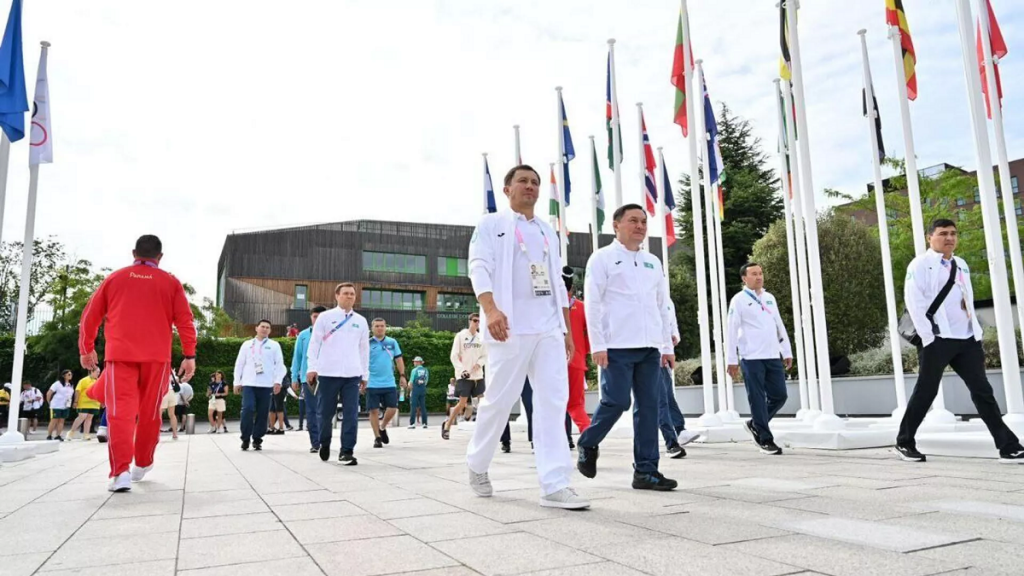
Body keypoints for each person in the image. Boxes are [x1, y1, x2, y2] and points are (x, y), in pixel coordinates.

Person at [465, 164, 588, 509]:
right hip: (508, 327)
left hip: (548, 328)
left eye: (535, 182)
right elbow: (478, 266)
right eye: (523, 181)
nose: (530, 187)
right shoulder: (491, 225)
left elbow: (558, 285)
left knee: (552, 403)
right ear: (507, 189)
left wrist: (564, 329)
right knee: (500, 401)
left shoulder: (548, 231)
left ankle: (554, 483)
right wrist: (490, 310)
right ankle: (477, 464)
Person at [896, 219, 1024, 463]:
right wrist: (928, 338)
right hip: (937, 339)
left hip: (966, 339)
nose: (949, 238)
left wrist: (975, 331)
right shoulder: (921, 264)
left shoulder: (961, 264)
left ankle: (1008, 446)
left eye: (953, 234)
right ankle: (904, 442)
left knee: (982, 391)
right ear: (929, 237)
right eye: (943, 233)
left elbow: (966, 298)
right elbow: (914, 302)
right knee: (926, 392)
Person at [79, 234, 197, 492]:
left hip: (120, 356)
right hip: (157, 358)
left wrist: (86, 350)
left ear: (134, 253)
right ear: (160, 257)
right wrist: (189, 356)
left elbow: (90, 317)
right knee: (149, 412)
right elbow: (185, 321)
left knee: (119, 413)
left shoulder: (115, 278)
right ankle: (142, 463)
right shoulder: (171, 282)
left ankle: (120, 472)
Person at [576, 204, 678, 491]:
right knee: (617, 401)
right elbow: (593, 304)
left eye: (644, 221)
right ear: (616, 225)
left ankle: (646, 471)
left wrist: (666, 344)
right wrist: (598, 344)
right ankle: (588, 441)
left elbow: (662, 304)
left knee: (649, 408)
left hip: (649, 348)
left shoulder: (653, 262)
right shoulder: (603, 258)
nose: (640, 226)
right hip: (616, 346)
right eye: (633, 220)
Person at [726, 262, 792, 456]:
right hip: (751, 357)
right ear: (744, 278)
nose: (759, 277)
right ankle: (765, 438)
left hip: (772, 356)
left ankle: (755, 424)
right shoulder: (738, 300)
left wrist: (786, 351)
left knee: (780, 395)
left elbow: (778, 324)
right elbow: (731, 330)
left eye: (761, 273)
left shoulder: (769, 298)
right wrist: (732, 359)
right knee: (757, 398)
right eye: (754, 274)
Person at [307, 282, 369, 465]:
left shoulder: (361, 321)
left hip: (352, 374)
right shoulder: (325, 317)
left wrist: (365, 375)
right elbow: (314, 343)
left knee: (351, 413)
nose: (349, 296)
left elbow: (364, 350)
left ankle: (346, 451)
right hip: (328, 373)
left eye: (352, 294)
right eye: (346, 293)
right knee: (325, 414)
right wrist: (312, 367)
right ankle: (324, 443)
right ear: (337, 295)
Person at [233, 320, 287, 451]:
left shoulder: (274, 345)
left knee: (263, 413)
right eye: (262, 327)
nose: (265, 329)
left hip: (266, 384)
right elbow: (239, 364)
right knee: (248, 409)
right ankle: (245, 438)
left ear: (270, 330)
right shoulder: (247, 345)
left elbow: (280, 365)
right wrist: (237, 382)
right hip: (249, 383)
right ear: (256, 328)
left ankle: (257, 439)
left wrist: (278, 381)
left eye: (268, 327)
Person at [658, 299, 701, 457]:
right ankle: (671, 443)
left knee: (668, 398)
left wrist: (675, 336)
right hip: (652, 355)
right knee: (660, 401)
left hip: (664, 355)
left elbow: (672, 323)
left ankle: (680, 430)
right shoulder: (645, 295)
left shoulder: (667, 300)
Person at [444, 313, 487, 440]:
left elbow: (485, 355)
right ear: (469, 321)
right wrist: (462, 370)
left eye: (479, 321)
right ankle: (447, 425)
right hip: (464, 376)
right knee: (462, 403)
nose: (477, 323)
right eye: (475, 321)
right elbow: (454, 355)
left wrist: (479, 364)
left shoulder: (481, 337)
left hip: (478, 376)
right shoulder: (461, 336)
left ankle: (483, 430)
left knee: (482, 402)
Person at [366, 318, 406, 448]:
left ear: (385, 327)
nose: (380, 328)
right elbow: (361, 362)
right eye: (377, 326)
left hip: (389, 382)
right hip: (372, 382)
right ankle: (377, 437)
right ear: (372, 328)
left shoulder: (392, 342)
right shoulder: (368, 343)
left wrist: (402, 376)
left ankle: (382, 427)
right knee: (373, 411)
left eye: (382, 326)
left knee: (393, 408)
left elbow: (399, 360)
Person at [292, 306, 327, 451]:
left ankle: (325, 439)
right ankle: (315, 442)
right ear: (311, 318)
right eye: (315, 316)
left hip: (327, 377)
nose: (317, 319)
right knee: (312, 410)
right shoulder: (303, 336)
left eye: (320, 316)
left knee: (325, 410)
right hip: (309, 379)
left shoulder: (331, 334)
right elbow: (297, 358)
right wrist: (295, 378)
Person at [562, 267, 591, 440]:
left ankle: (555, 442)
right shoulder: (581, 307)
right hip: (576, 360)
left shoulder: (550, 305)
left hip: (551, 361)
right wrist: (582, 351)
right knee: (576, 404)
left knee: (551, 404)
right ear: (571, 287)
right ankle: (588, 438)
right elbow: (592, 334)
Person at [68, 368, 102, 441]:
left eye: (99, 372)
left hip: (94, 403)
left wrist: (102, 402)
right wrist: (75, 401)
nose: (98, 373)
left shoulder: (99, 381)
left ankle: (86, 434)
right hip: (84, 402)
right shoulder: (84, 380)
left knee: (89, 418)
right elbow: (77, 391)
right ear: (91, 372)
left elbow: (101, 391)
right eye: (97, 372)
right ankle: (71, 432)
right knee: (82, 417)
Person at [46, 370, 75, 441]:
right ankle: (49, 435)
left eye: (71, 374)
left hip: (65, 405)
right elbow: (49, 393)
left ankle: (58, 435)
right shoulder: (57, 384)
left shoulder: (71, 384)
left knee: (61, 421)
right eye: (68, 374)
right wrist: (49, 402)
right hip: (56, 405)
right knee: (54, 420)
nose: (70, 375)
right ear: (63, 375)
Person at [408, 356, 429, 428]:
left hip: (415, 389)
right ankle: (425, 423)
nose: (414, 363)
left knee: (413, 406)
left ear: (418, 362)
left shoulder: (414, 370)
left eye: (414, 361)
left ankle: (412, 423)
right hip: (422, 389)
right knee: (423, 406)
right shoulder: (426, 370)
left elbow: (411, 382)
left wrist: (410, 391)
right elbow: (426, 381)